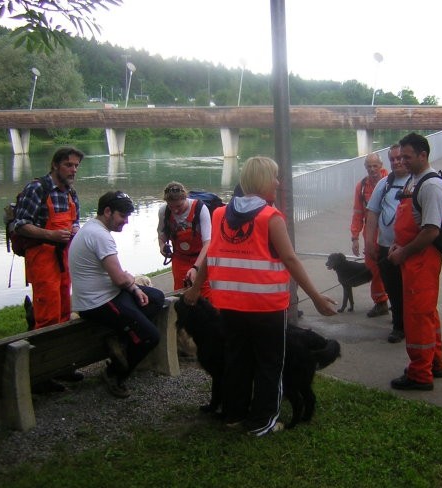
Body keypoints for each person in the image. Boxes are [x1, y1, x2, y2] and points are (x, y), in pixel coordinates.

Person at [183, 156, 337, 436]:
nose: (278, 183)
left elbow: (211, 255)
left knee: (237, 361)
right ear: (263, 181)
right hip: (266, 308)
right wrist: (316, 297)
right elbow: (290, 259)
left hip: (229, 306)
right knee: (269, 364)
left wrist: (195, 289)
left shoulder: (219, 214)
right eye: (275, 177)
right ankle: (262, 421)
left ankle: (234, 414)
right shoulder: (270, 217)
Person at [69, 191, 164, 398]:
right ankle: (114, 374)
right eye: (123, 216)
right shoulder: (100, 236)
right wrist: (130, 282)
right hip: (97, 303)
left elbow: (119, 278)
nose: (126, 222)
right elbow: (120, 279)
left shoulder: (93, 229)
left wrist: (135, 287)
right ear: (107, 211)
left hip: (107, 293)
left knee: (156, 298)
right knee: (150, 336)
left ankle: (123, 340)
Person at [387, 133, 442, 391]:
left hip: (421, 261)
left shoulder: (431, 186)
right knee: (426, 314)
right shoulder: (415, 179)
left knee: (418, 317)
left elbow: (431, 230)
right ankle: (434, 363)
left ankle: (420, 375)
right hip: (411, 258)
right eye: (400, 157)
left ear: (423, 155)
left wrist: (403, 252)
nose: (403, 161)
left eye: (408, 157)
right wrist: (398, 244)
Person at [13, 146, 83, 330]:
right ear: (54, 165)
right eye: (68, 165)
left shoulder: (71, 192)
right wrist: (50, 235)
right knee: (47, 311)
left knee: (64, 307)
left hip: (64, 256)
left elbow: (75, 220)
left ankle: (61, 352)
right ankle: (43, 353)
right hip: (42, 258)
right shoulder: (36, 189)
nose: (73, 170)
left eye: (76, 166)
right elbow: (20, 225)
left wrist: (75, 229)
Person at [365, 144, 409, 343]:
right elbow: (372, 212)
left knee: (410, 290)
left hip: (409, 249)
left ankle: (411, 325)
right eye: (393, 159)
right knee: (392, 289)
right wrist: (369, 242)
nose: (397, 162)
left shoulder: (417, 181)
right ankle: (398, 326)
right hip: (385, 247)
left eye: (400, 158)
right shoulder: (384, 183)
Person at [350, 152, 390, 318]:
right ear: (365, 167)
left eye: (375, 166)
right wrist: (354, 237)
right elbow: (358, 213)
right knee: (373, 270)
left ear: (381, 166)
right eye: (369, 166)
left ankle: (398, 303)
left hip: (389, 232)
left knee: (393, 270)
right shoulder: (362, 187)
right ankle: (380, 302)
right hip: (370, 235)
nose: (372, 169)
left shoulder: (392, 181)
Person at [157, 181, 212, 295]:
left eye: (179, 206)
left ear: (185, 198)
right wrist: (162, 246)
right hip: (179, 259)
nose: (175, 210)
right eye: (171, 207)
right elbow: (161, 234)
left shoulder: (200, 208)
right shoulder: (164, 211)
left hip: (200, 259)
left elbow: (208, 242)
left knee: (204, 292)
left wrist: (196, 268)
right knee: (181, 293)